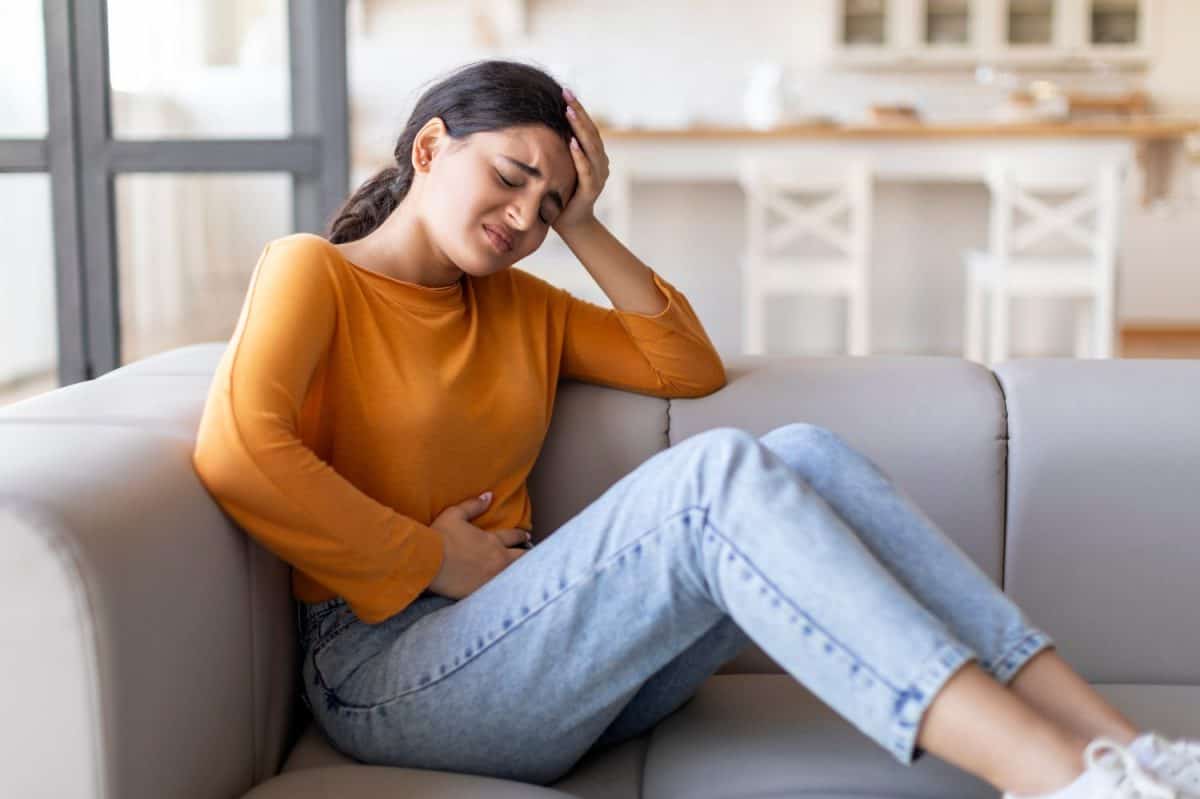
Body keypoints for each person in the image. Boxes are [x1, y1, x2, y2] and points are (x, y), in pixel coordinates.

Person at [191, 59, 1200, 798]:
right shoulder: (312, 271)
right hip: (389, 679)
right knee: (715, 474)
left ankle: (1124, 750)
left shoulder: (521, 307)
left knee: (804, 453)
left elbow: (685, 363)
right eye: (509, 175)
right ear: (428, 148)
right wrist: (431, 559)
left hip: (546, 668)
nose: (523, 215)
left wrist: (585, 224)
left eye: (548, 202)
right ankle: (1055, 780)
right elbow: (238, 450)